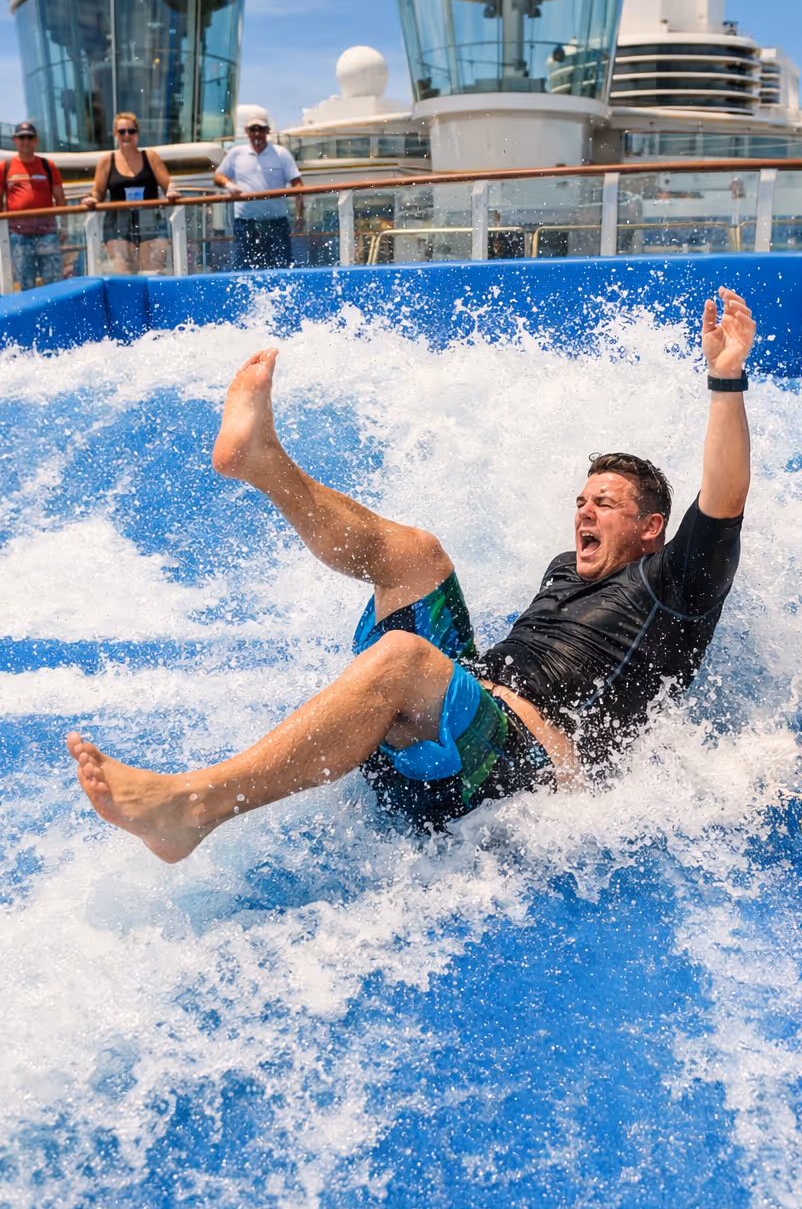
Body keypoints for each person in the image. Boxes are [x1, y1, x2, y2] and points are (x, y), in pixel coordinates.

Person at [66, 286, 755, 863]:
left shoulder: (676, 588)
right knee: (416, 553)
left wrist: (725, 379)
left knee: (402, 657)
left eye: (604, 503)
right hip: (455, 725)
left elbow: (724, 500)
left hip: (508, 775)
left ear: (651, 528)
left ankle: (195, 807)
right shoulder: (564, 571)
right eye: (581, 500)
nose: (584, 510)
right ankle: (264, 465)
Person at [84, 113, 181, 274]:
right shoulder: (106, 161)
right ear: (115, 134)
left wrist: (172, 190)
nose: (127, 135)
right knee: (124, 275)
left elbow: (168, 184)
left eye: (131, 131)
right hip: (117, 225)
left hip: (151, 222)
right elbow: (98, 191)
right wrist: (92, 199)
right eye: (122, 132)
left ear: (137, 134)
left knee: (152, 273)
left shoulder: (151, 157)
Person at [213, 114, 304, 270]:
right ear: (246, 131)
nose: (257, 133)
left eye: (261, 129)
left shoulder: (281, 153)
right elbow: (218, 176)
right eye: (253, 129)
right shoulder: (236, 153)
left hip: (277, 223)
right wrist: (229, 185)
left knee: (282, 268)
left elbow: (298, 185)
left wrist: (299, 215)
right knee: (244, 271)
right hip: (245, 223)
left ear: (268, 131)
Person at [1, 122, 66, 291]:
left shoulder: (48, 166)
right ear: (15, 140)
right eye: (22, 137)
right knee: (26, 282)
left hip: (47, 233)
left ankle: (55, 307)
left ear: (36, 140)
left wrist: (64, 227)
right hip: (18, 236)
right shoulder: (5, 167)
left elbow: (60, 198)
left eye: (30, 137)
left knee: (54, 280)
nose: (26, 141)